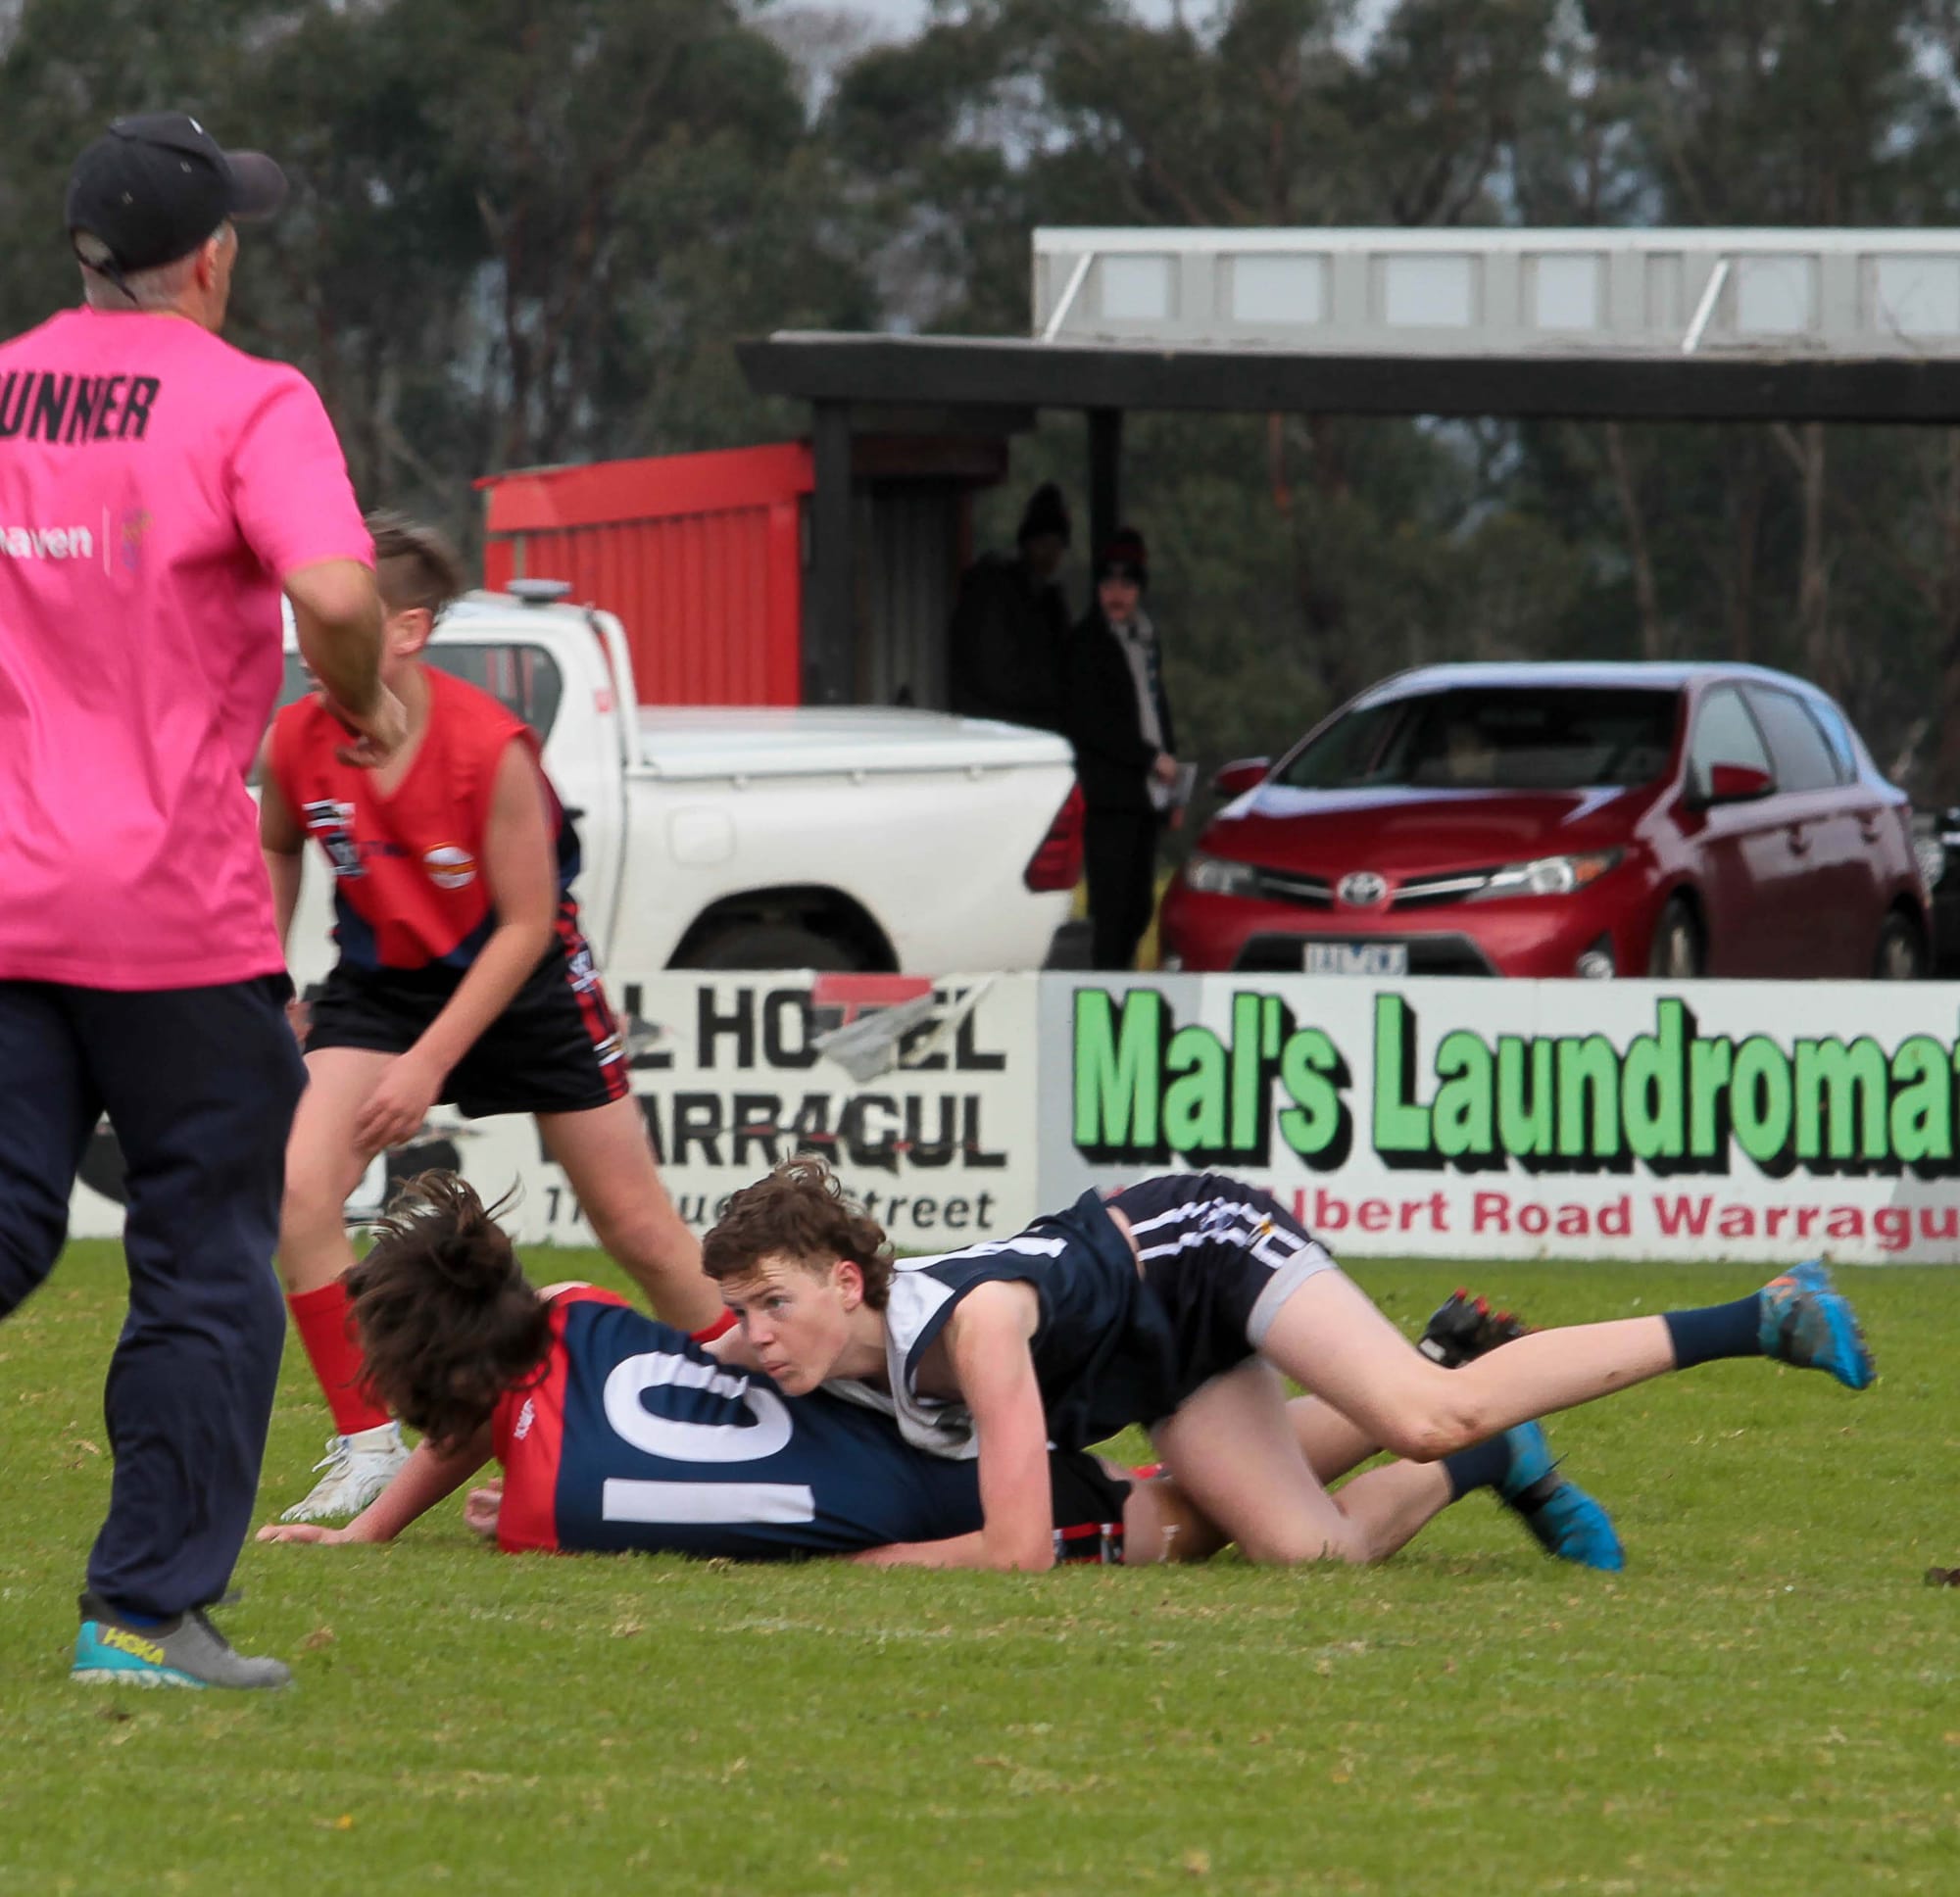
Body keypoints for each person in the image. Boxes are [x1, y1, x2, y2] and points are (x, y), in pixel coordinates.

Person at [0, 112, 406, 1690]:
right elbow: (330, 590)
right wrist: (360, 699)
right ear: (214, 257)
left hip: (8, 903)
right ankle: (140, 1616)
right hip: (170, 921)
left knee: (12, 1228)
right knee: (205, 1255)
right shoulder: (253, 400)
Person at [256, 1175, 1613, 1575]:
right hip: (936, 1440)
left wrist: (370, 1530)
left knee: (1191, 1520)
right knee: (1187, 1500)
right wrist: (375, 1527)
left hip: (950, 1463)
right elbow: (491, 1415)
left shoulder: (548, 1484)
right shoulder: (579, 1320)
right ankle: (1458, 1420)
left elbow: (476, 1435)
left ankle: (1467, 1437)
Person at [700, 1160, 1874, 1574]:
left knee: (1422, 1407)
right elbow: (632, 1355)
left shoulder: (975, 1331)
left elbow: (1015, 1556)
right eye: (738, 1311)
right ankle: (1492, 1457)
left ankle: (1760, 1314)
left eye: (769, 1306)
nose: (751, 1334)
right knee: (1319, 1554)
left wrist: (876, 1564)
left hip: (1204, 1250)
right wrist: (534, 1484)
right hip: (1148, 1363)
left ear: (844, 1284)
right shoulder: (810, 1343)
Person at [260, 513, 720, 1524]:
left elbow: (522, 929)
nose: (311, 642)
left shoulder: (488, 748)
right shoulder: (297, 736)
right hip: (380, 984)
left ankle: (763, 1403)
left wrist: (427, 1064)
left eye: (337, 619)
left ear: (409, 630)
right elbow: (281, 842)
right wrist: (267, 977)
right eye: (305, 616)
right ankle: (367, 1442)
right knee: (299, 1190)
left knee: (637, 1230)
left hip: (528, 986)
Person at [1062, 528, 1181, 970]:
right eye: (1108, 584)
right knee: (1110, 908)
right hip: (1108, 795)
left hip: (1146, 795)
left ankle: (1124, 978)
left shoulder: (1146, 641)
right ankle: (1107, 989)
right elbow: (1093, 723)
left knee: (1138, 906)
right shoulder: (1086, 645)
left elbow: (1156, 711)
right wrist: (1151, 759)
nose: (1117, 594)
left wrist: (1172, 789)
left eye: (1126, 585)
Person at [945, 482, 1073, 730]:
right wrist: (1058, 691)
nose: (1050, 555)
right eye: (1043, 544)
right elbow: (996, 677)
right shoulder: (993, 594)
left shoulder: (1049, 602)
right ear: (1027, 544)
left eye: (1057, 546)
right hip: (997, 732)